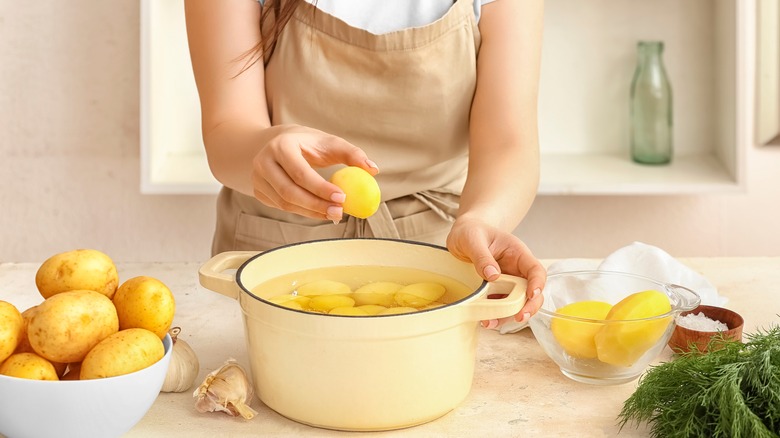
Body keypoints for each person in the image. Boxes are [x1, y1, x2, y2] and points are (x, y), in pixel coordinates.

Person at [184, 0, 546, 325]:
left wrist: (481, 220)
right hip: (273, 261)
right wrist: (262, 151)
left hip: (442, 261)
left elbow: (508, 141)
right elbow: (225, 132)